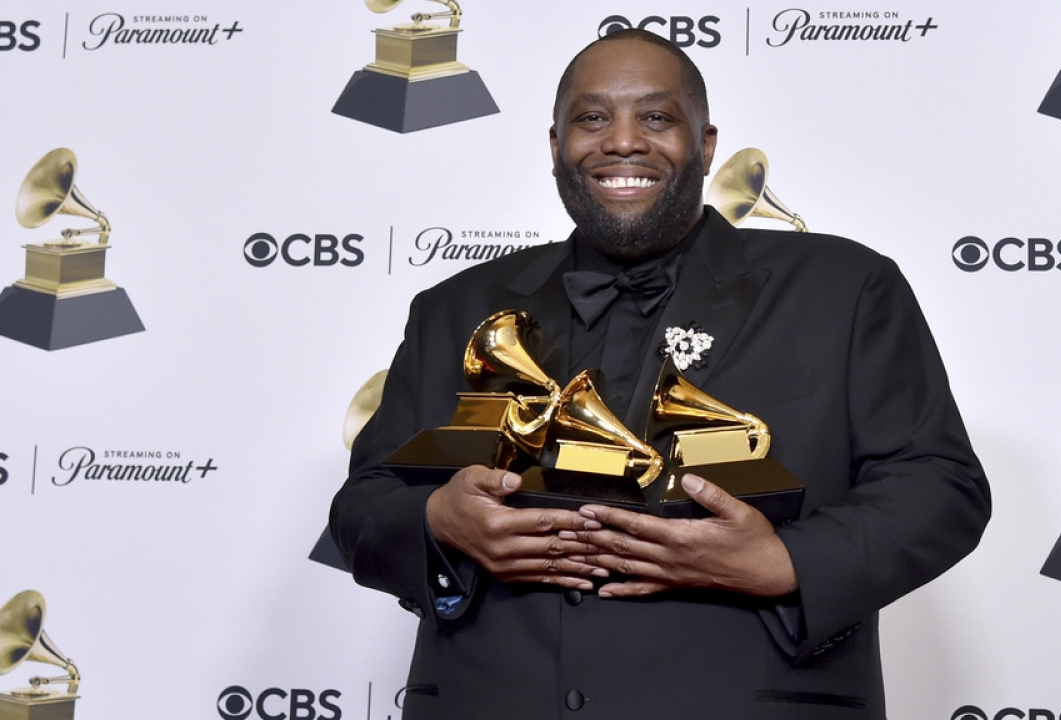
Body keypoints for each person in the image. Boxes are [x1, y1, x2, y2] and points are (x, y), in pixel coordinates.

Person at [331, 29, 990, 720]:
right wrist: (439, 522)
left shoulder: (846, 288)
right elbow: (364, 505)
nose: (621, 142)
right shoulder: (454, 308)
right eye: (591, 119)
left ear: (705, 144)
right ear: (555, 146)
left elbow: (941, 487)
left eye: (656, 117)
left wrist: (788, 563)